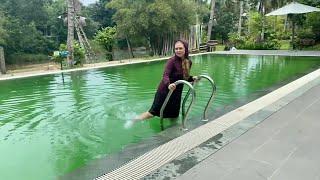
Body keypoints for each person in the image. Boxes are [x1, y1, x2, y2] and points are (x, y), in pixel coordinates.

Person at [125, 39, 198, 128]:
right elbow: (165, 75)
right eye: (176, 49)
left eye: (180, 48)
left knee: (174, 115)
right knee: (152, 113)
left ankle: (172, 130)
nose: (178, 50)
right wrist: (169, 84)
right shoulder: (172, 61)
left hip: (176, 94)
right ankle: (133, 120)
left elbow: (184, 77)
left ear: (185, 49)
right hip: (165, 91)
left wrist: (192, 78)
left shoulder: (188, 62)